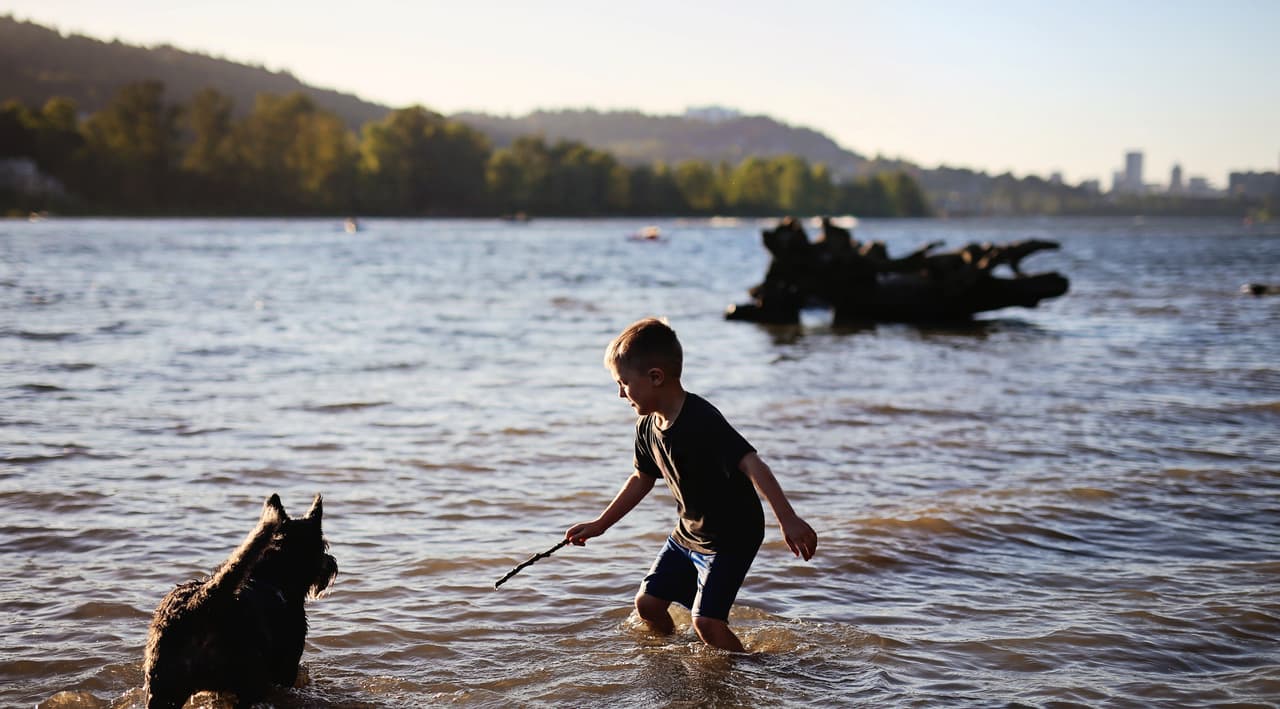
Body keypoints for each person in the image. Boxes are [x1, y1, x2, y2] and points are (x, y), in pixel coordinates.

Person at [566, 318, 818, 652]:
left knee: (707, 622)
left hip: (732, 535)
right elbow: (641, 478)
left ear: (655, 377)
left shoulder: (701, 419)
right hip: (688, 533)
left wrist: (788, 518)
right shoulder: (646, 427)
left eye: (624, 383)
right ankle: (672, 656)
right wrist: (600, 524)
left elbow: (752, 462)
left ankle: (749, 673)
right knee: (648, 604)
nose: (620, 393)